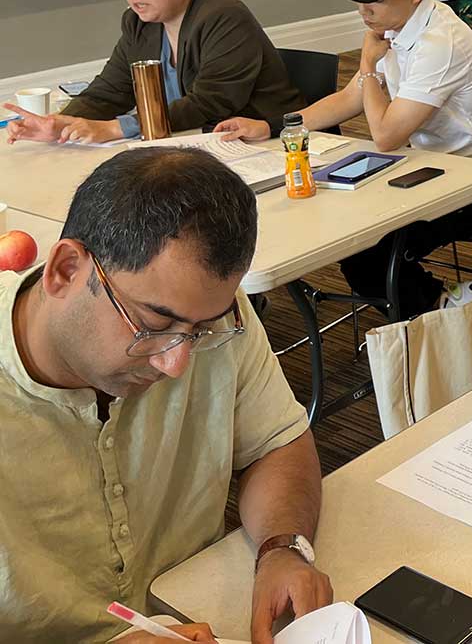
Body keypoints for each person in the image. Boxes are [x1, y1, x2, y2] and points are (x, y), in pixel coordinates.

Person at [0, 148, 333, 644]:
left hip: (199, 615)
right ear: (67, 270)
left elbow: (274, 442)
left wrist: (282, 547)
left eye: (200, 330)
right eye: (153, 326)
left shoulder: (205, 311)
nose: (176, 363)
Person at [217, 0, 472, 316]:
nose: (363, 8)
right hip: (427, 163)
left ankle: (444, 310)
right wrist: (271, 126)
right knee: (349, 226)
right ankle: (436, 304)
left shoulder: (441, 41)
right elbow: (349, 99)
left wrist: (368, 66)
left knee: (368, 248)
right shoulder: (395, 27)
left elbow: (386, 135)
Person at [4, 0, 301, 146]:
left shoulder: (225, 17)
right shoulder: (139, 23)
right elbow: (111, 90)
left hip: (261, 143)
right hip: (187, 142)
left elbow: (210, 103)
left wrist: (115, 129)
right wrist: (59, 122)